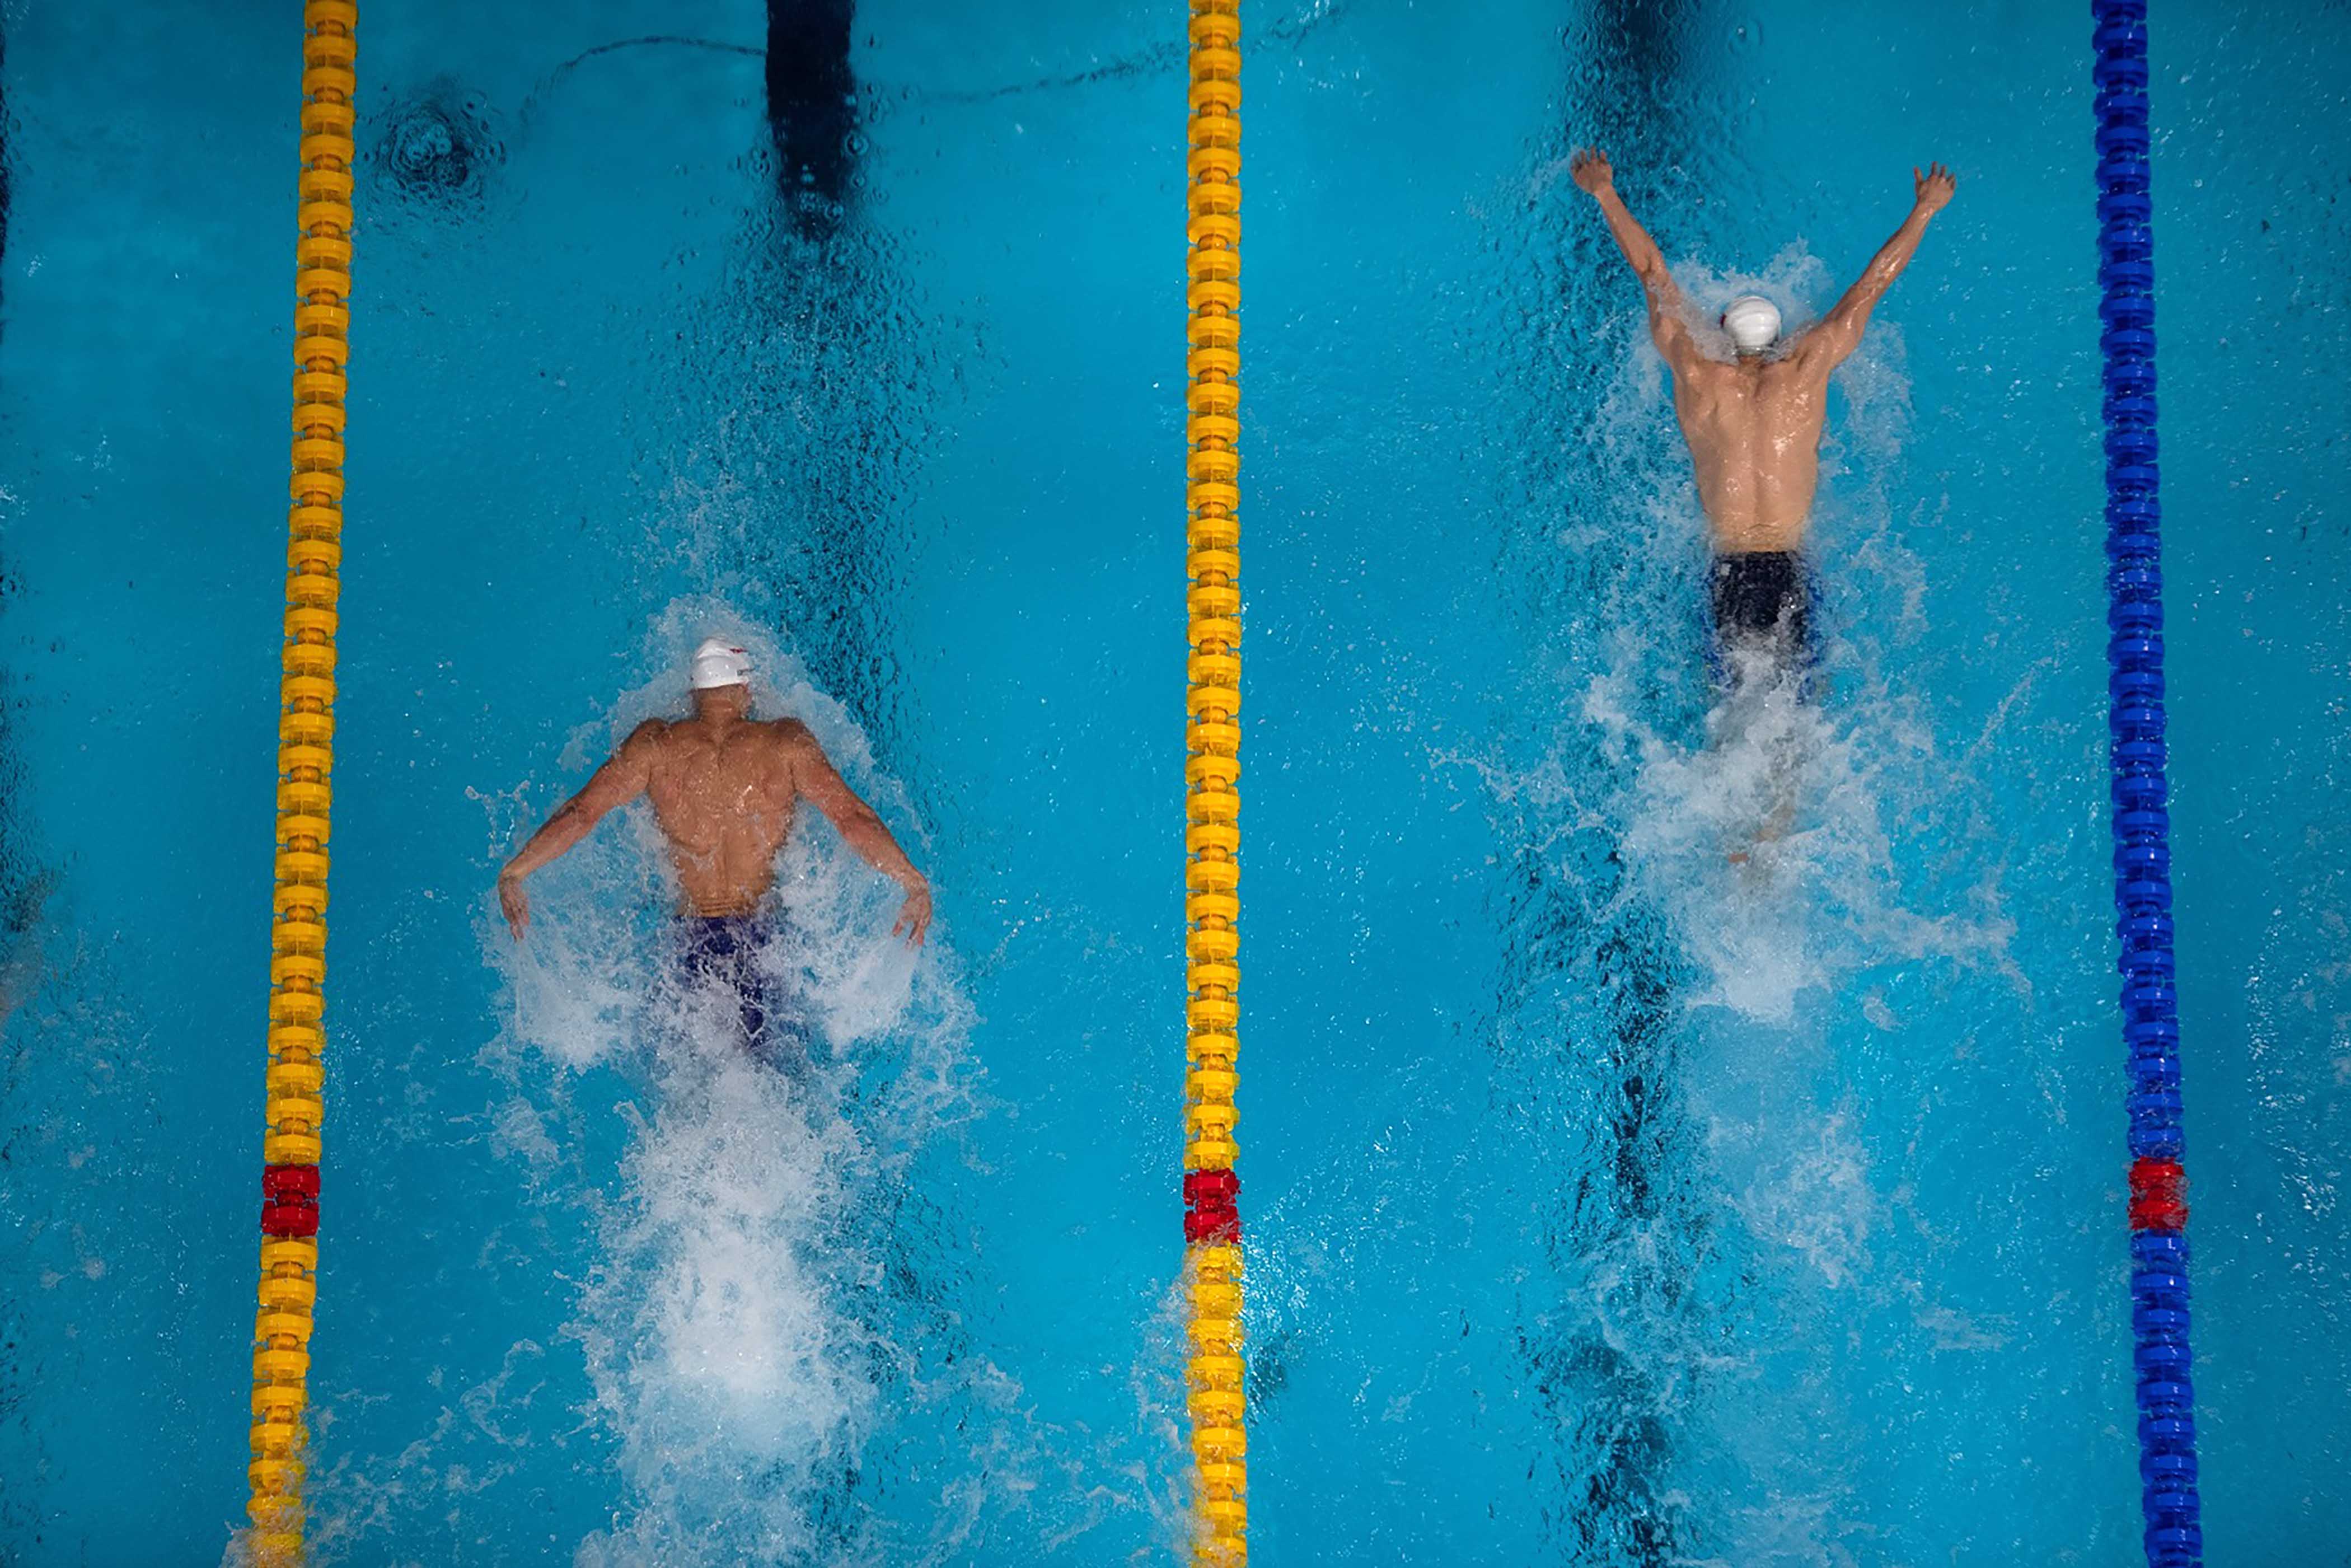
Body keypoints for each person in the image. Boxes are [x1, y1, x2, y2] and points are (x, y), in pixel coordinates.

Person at [1570, 147, 1956, 684]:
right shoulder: (1808, 366)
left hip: (1726, 570)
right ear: (1779, 338)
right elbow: (1869, 289)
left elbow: (1652, 271)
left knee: (1730, 710)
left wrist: (1605, 193)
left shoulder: (1697, 371)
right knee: (1796, 715)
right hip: (1789, 568)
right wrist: (1924, 211)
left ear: (1722, 332)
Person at [497, 637, 932, 1069]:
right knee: (775, 1079)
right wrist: (912, 881)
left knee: (693, 1081)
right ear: (746, 689)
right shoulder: (785, 742)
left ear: (693, 693)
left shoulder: (654, 746)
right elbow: (854, 820)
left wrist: (517, 871)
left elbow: (580, 813)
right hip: (763, 940)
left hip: (690, 942)